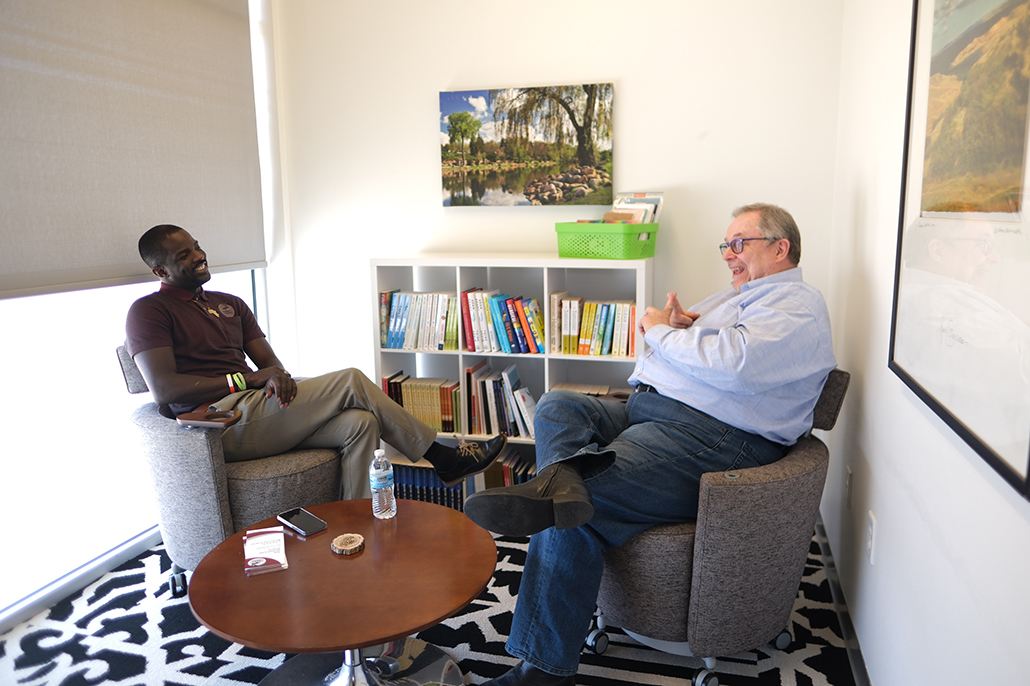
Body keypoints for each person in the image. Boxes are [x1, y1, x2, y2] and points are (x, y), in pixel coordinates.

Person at [463, 203, 837, 686]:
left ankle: (540, 669)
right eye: (726, 245)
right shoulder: (738, 298)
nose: (728, 255)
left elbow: (735, 363)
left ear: (780, 247)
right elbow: (702, 352)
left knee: (573, 504)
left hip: (713, 436)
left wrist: (660, 330)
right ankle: (559, 485)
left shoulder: (796, 304)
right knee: (558, 405)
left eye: (739, 243)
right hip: (650, 411)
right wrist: (681, 330)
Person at [125, 224, 505, 500]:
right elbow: (165, 390)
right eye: (184, 255)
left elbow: (270, 364)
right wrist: (246, 381)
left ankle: (358, 526)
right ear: (161, 271)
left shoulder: (230, 303)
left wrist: (278, 378)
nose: (199, 256)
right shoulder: (148, 312)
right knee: (352, 379)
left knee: (361, 422)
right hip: (217, 423)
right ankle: (442, 457)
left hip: (258, 409)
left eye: (196, 246)